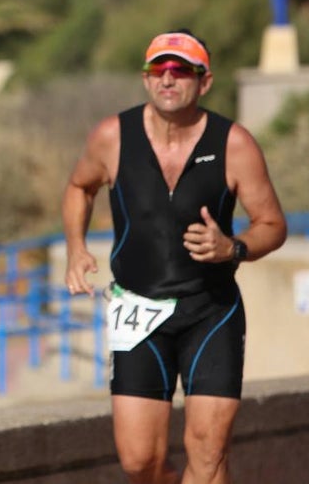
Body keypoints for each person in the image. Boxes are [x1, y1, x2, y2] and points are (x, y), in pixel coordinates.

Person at [63, 29, 287, 484]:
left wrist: (234, 248)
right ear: (146, 79)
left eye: (181, 70)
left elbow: (273, 225)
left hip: (211, 312)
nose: (168, 78)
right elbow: (78, 187)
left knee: (207, 454)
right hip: (138, 311)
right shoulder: (113, 136)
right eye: (158, 70)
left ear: (203, 82)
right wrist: (75, 248)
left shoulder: (234, 143)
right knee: (139, 462)